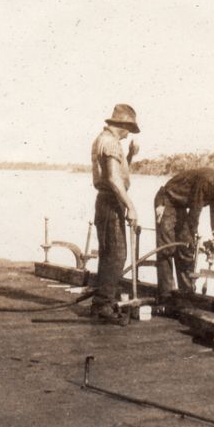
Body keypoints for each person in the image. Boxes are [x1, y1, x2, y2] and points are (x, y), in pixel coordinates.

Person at [154, 168, 214, 302]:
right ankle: (166, 295)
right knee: (167, 248)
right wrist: (193, 239)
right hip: (167, 199)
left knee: (186, 250)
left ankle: (186, 294)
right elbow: (195, 210)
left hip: (181, 206)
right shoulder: (209, 180)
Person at [90, 104, 140, 323]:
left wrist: (129, 155)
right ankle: (103, 305)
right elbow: (112, 178)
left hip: (107, 201)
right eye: (130, 128)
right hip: (111, 202)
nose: (130, 133)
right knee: (117, 254)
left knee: (109, 252)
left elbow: (116, 173)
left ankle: (102, 303)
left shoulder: (107, 140)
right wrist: (130, 205)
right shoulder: (110, 142)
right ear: (123, 125)